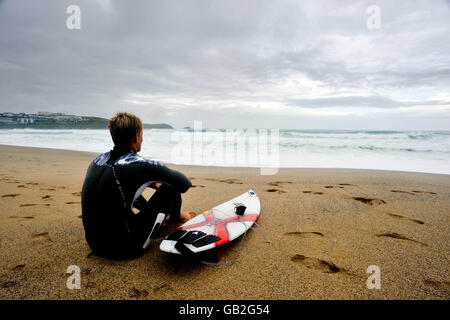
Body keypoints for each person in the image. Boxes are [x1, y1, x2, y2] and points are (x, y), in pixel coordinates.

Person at [81, 112, 194, 259]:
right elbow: (183, 183)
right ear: (136, 137)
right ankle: (177, 217)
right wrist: (158, 182)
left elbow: (126, 185)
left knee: (119, 189)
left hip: (95, 244)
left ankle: (160, 219)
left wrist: (152, 183)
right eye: (142, 134)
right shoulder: (136, 163)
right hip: (126, 248)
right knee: (170, 188)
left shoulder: (98, 160)